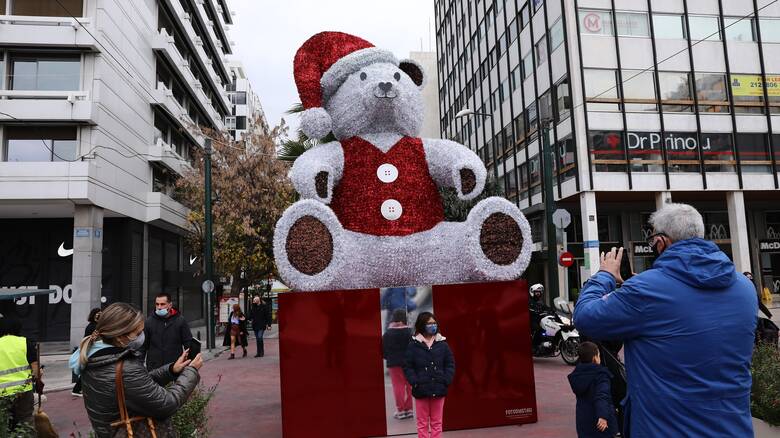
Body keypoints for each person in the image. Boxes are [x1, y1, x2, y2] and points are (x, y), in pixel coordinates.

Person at [574, 203, 757, 437]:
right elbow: (686, 308)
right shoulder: (745, 288)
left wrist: (605, 276)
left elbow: (585, 317)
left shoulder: (646, 291)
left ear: (661, 242)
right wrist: (639, 287)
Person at [69, 302, 202, 438]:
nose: (141, 337)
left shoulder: (91, 358)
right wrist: (191, 371)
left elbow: (138, 385)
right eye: (137, 333)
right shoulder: (125, 368)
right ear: (120, 336)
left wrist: (171, 370)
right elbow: (166, 404)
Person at [403, 312, 455, 438]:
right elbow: (407, 366)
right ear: (422, 325)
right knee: (422, 423)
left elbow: (450, 364)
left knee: (437, 422)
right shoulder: (413, 345)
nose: (433, 326)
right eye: (429, 323)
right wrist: (415, 381)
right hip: (421, 390)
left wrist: (445, 380)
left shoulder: (442, 344)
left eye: (434, 323)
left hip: (439, 388)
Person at [568, 341, 619, 438]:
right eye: (599, 355)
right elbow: (602, 395)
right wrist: (603, 416)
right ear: (595, 358)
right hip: (600, 421)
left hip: (583, 419)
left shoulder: (577, 375)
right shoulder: (601, 375)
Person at [0, 318, 40, 433]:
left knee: (4, 421)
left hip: (2, 392)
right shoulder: (24, 342)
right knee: (26, 419)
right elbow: (35, 368)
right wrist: (35, 380)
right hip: (24, 390)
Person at [144, 292, 193, 371]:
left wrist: (191, 365)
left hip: (174, 367)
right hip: (154, 368)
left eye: (162, 304)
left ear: (170, 305)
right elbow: (143, 346)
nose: (159, 307)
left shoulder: (180, 320)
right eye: (157, 304)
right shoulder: (149, 322)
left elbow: (188, 343)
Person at [382, 309, 413, 420]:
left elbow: (383, 351)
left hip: (394, 364)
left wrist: (389, 358)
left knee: (398, 386)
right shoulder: (409, 333)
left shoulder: (387, 334)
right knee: (409, 386)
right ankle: (409, 409)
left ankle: (400, 410)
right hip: (409, 363)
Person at [72, 307, 101, 397]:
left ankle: (80, 389)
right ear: (93, 315)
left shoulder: (96, 325)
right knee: (88, 371)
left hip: (93, 350)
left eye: (100, 314)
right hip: (91, 351)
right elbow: (88, 339)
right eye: (97, 314)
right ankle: (76, 389)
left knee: (90, 371)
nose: (99, 316)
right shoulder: (92, 326)